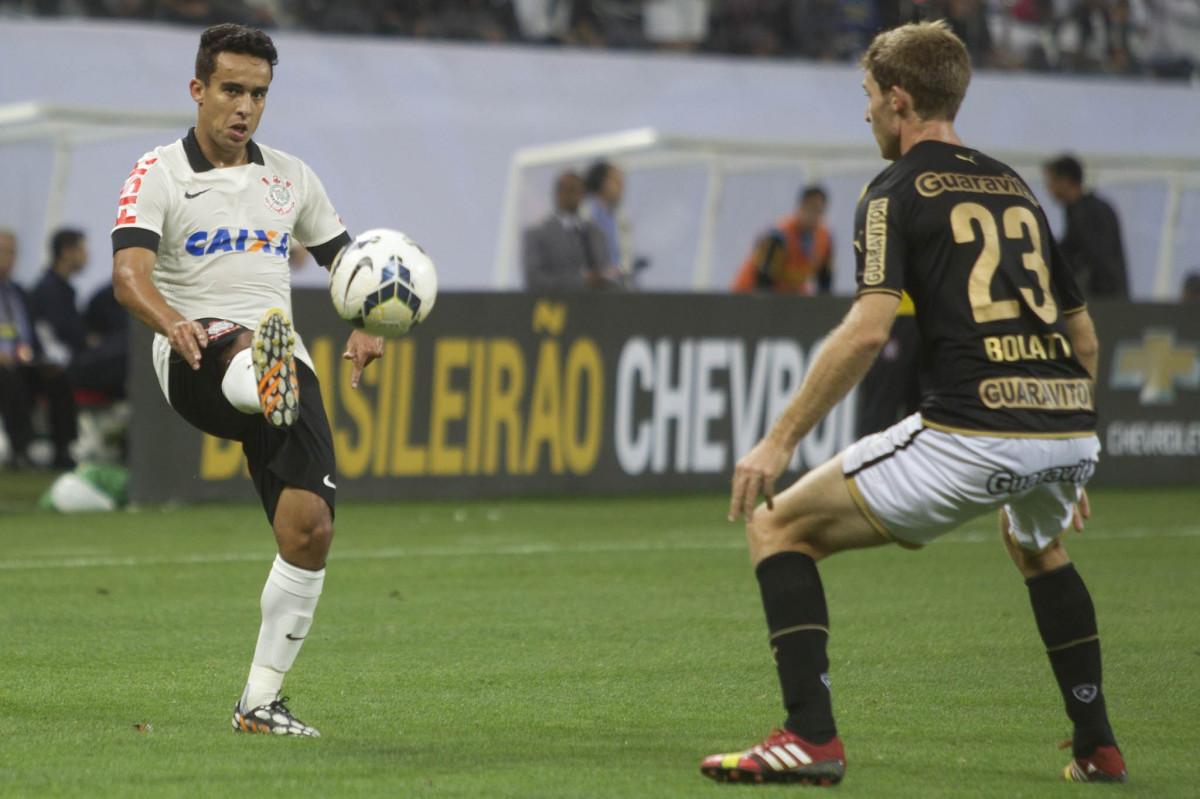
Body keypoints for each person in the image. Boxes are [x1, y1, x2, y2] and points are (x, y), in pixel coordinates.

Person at [703, 20, 1125, 786]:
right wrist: (1064, 444)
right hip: (1067, 422)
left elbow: (867, 332)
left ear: (899, 99)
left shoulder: (894, 189)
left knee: (778, 527)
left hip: (977, 428)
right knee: (1037, 546)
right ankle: (1098, 744)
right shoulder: (1014, 186)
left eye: (867, 96)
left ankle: (810, 737)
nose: (863, 113)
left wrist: (776, 440)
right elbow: (1086, 340)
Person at [111, 23, 384, 737]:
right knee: (237, 345)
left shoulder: (289, 177)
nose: (244, 107)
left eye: (258, 94)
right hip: (194, 352)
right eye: (231, 90)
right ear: (198, 89)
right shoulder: (159, 173)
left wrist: (368, 321)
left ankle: (259, 702)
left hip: (285, 359)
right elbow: (127, 276)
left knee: (309, 531)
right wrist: (172, 321)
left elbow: (347, 263)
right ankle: (257, 378)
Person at [0, 229, 78, 470]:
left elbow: (32, 335)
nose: (8, 257)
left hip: (23, 362)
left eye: (12, 252)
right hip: (4, 368)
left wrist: (42, 358)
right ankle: (22, 449)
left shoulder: (20, 294)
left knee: (58, 378)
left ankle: (63, 449)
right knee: (11, 381)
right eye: (3, 251)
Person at [1043, 154, 1130, 299]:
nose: (1049, 189)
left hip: (1102, 298)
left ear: (1064, 180)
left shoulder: (1088, 212)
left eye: (1051, 182)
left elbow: (1092, 256)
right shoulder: (1086, 209)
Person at [523, 170, 616, 291]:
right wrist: (581, 281)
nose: (571, 196)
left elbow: (605, 270)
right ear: (557, 194)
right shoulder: (538, 235)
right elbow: (535, 280)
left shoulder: (596, 234)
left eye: (577, 190)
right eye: (568, 190)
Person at [732, 185, 834, 295]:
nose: (814, 216)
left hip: (788, 298)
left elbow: (825, 281)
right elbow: (763, 278)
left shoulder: (824, 239)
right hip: (748, 294)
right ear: (801, 207)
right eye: (811, 208)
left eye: (819, 210)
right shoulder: (779, 236)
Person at [581, 159, 644, 288]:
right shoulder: (584, 215)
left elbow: (625, 259)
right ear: (602, 182)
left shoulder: (620, 220)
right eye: (616, 181)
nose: (622, 187)